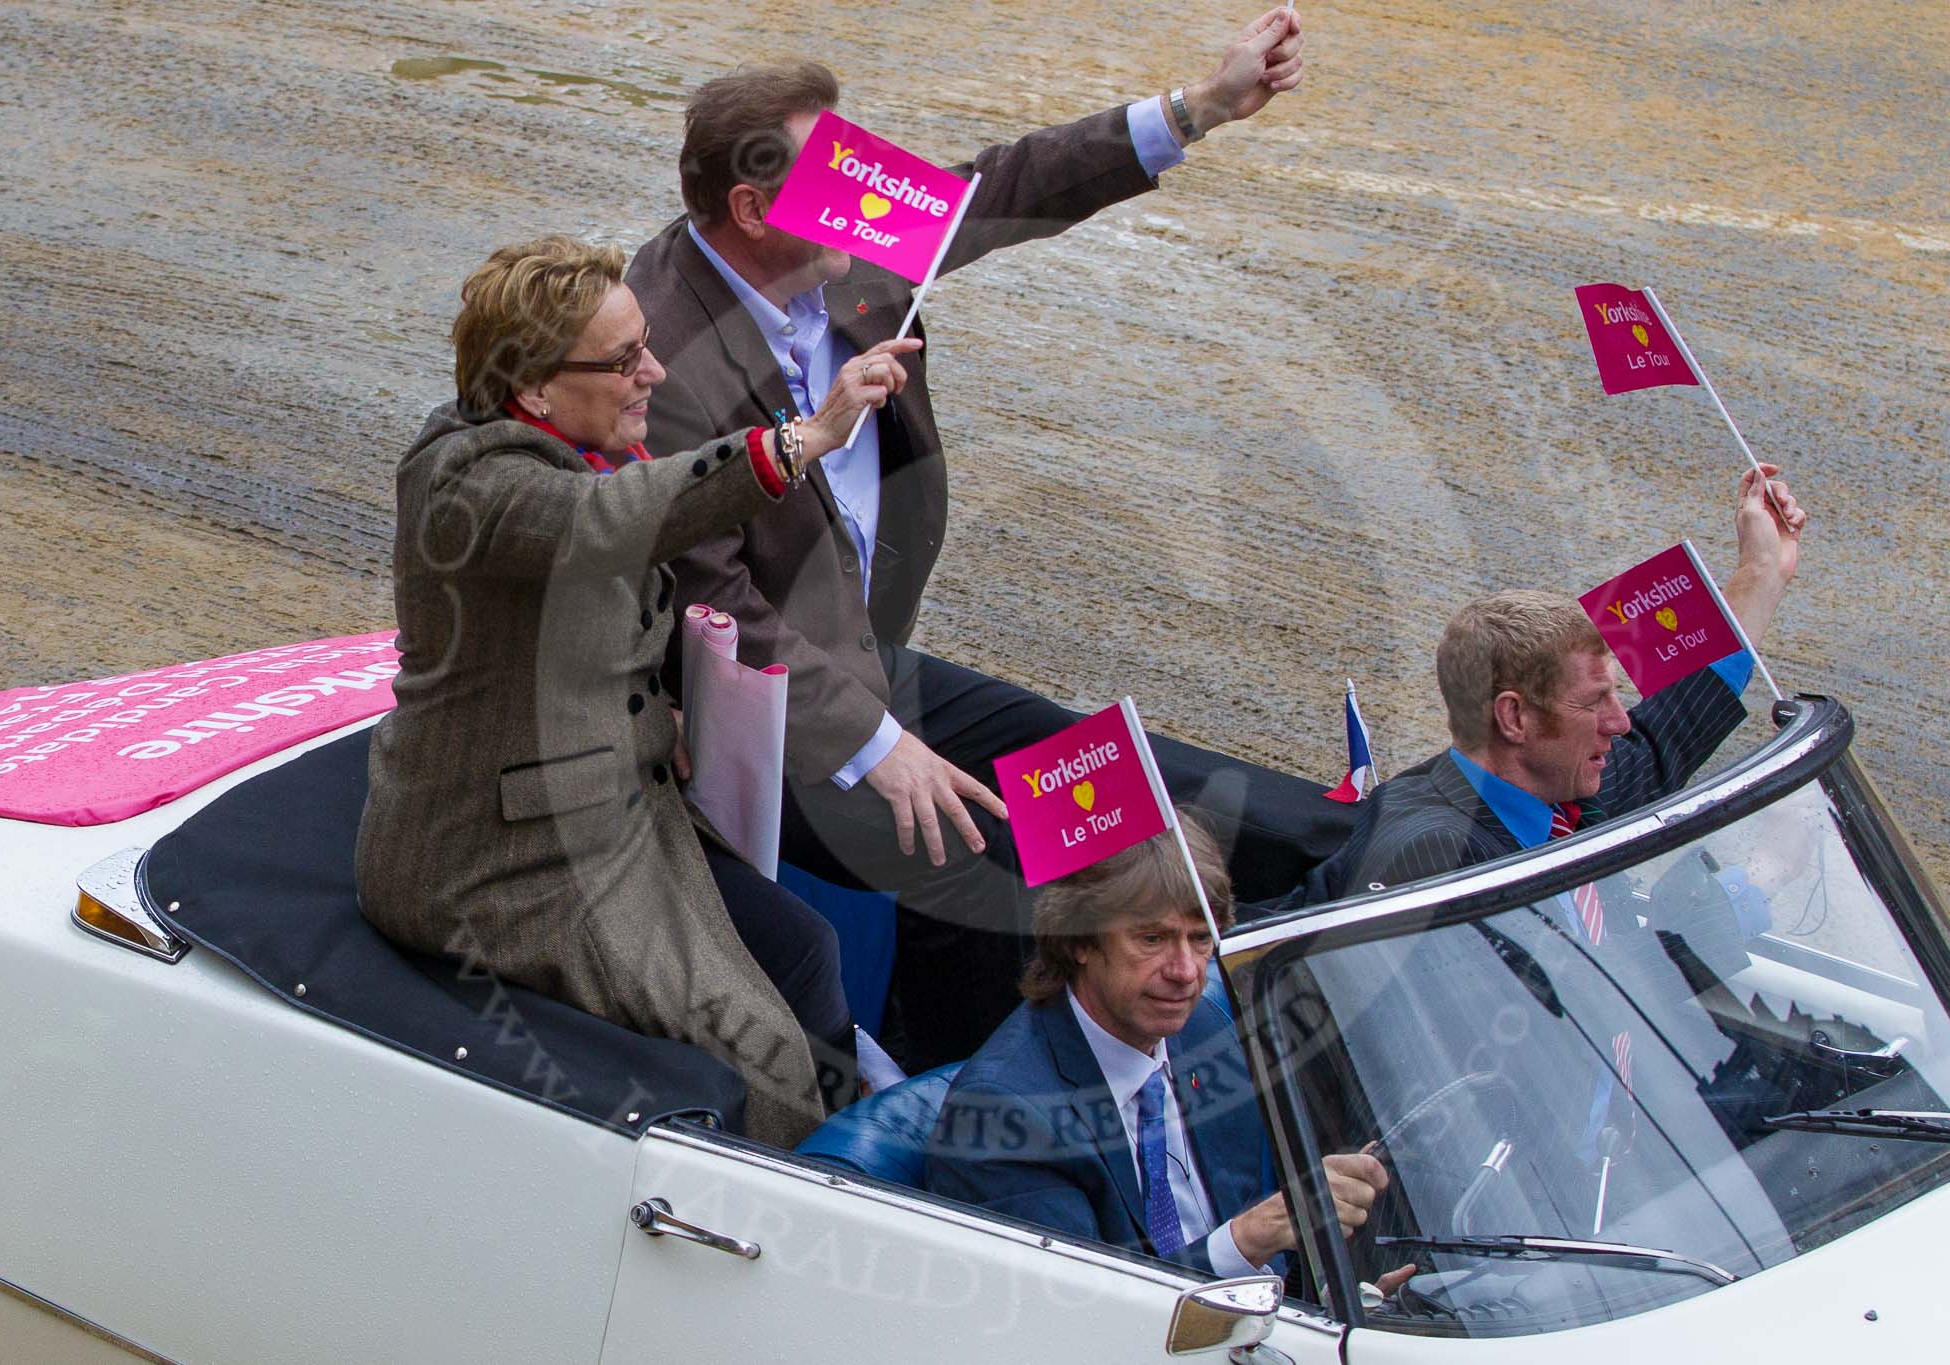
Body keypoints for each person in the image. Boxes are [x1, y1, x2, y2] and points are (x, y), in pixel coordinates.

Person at [628, 7, 1364, 1069]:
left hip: (861, 655)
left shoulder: (835, 241)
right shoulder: (661, 359)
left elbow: (1001, 188)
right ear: (750, 207)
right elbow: (721, 613)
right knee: (1003, 864)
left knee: (1105, 775)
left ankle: (1375, 868)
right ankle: (971, 1118)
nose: (861, 189)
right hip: (755, 714)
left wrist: (1199, 107)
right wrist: (882, 749)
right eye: (827, 172)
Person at [354, 235, 920, 1146]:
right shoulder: (471, 486)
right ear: (534, 386)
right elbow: (610, 523)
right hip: (497, 866)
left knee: (805, 949)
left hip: (612, 813)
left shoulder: (582, 449)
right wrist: (808, 436)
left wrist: (661, 713)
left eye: (647, 342)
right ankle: (787, 1206)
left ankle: (833, 1141)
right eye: (624, 361)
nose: (654, 371)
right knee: (765, 1050)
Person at [1282, 464, 1809, 906]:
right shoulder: (1430, 857)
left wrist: (1762, 569)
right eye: (1594, 701)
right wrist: (1764, 875)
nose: (1619, 721)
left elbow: (1665, 735)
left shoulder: (1558, 789)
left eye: (1615, 694)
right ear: (1515, 718)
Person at [923, 816, 1407, 1284]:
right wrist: (1246, 1240)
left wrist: (1345, 1300)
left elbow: (1276, 1240)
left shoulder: (1210, 1031)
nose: (1186, 972)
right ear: (1078, 941)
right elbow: (1079, 1316)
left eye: (1200, 939)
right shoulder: (1003, 1115)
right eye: (1152, 938)